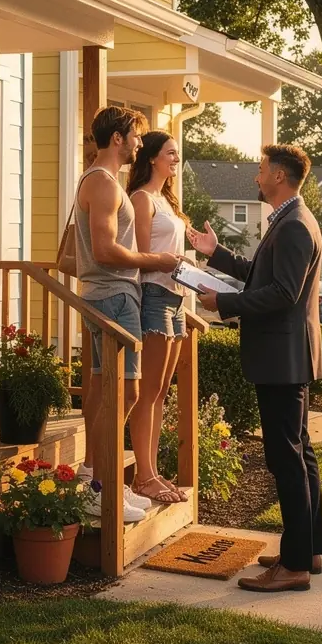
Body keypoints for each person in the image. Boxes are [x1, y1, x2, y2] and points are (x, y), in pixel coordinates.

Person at [188, 143, 322, 593]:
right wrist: (217, 253)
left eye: (261, 169)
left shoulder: (294, 227)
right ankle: (306, 549)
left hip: (282, 359)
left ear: (280, 177)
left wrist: (222, 302)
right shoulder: (290, 220)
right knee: (299, 452)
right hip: (286, 356)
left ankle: (295, 566)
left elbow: (282, 293)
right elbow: (262, 275)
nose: (256, 176)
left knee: (286, 458)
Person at [74, 106, 181, 522]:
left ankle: (97, 481)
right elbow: (104, 251)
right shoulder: (103, 185)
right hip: (114, 297)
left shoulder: (104, 182)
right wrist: (153, 259)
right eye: (135, 136)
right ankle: (101, 489)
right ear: (117, 139)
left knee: (106, 395)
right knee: (129, 393)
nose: (139, 142)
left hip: (111, 296)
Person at [126, 131, 189, 504]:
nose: (176, 159)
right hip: (153, 297)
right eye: (170, 153)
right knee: (147, 393)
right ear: (152, 158)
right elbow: (143, 255)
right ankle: (143, 477)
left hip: (177, 298)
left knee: (161, 392)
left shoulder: (167, 201)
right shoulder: (141, 199)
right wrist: (172, 263)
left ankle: (151, 472)